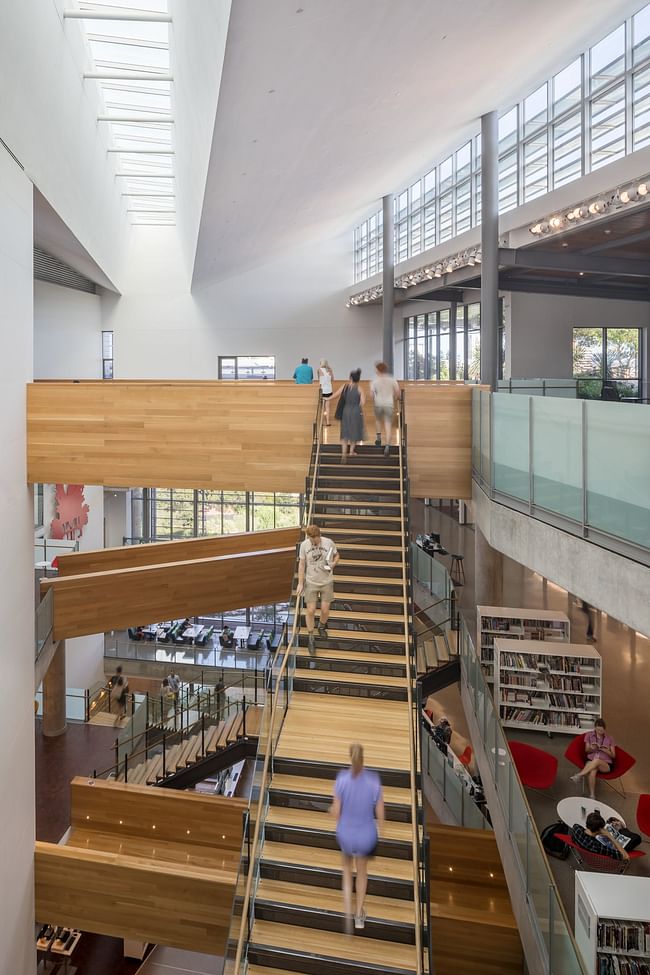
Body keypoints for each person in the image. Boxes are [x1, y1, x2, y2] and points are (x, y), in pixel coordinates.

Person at [332, 743, 384, 933]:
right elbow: (380, 810)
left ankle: (347, 907)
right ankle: (359, 913)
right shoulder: (373, 780)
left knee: (346, 869)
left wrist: (334, 813)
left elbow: (336, 812)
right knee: (361, 871)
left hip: (346, 834)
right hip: (365, 835)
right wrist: (383, 828)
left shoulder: (342, 779)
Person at [297, 523, 339, 655]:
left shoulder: (328, 543)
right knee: (310, 610)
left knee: (325, 610)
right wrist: (300, 583)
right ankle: (311, 637)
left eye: (315, 539)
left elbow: (337, 555)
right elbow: (302, 564)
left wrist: (333, 564)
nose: (314, 541)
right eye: (311, 539)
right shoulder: (304, 545)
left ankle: (321, 625)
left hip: (326, 581)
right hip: (311, 581)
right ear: (308, 537)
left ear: (319, 535)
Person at [570, 718, 616, 798]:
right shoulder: (589, 735)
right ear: (595, 728)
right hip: (591, 759)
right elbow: (587, 750)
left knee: (597, 760)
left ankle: (579, 775)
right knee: (592, 771)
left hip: (605, 764)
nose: (600, 732)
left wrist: (605, 750)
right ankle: (592, 795)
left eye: (602, 731)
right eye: (598, 730)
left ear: (604, 729)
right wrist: (592, 748)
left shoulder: (610, 738)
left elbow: (613, 755)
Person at [330, 368, 365, 462]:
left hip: (346, 411)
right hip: (356, 411)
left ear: (350, 378)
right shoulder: (360, 389)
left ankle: (343, 454)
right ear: (358, 379)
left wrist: (327, 399)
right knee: (354, 431)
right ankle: (351, 451)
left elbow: (335, 395)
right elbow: (362, 402)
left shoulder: (345, 386)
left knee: (344, 433)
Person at [370, 362, 399, 456]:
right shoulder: (392, 380)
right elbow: (397, 393)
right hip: (389, 404)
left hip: (378, 403)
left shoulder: (374, 381)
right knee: (388, 424)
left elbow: (371, 395)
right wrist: (393, 397)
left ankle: (378, 439)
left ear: (378, 370)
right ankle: (387, 445)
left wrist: (374, 398)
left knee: (378, 421)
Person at [318, 359, 334, 425]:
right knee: (327, 407)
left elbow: (320, 380)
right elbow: (332, 379)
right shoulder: (330, 370)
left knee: (322, 407)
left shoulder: (319, 369)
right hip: (329, 390)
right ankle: (327, 422)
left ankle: (321, 422)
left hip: (322, 390)